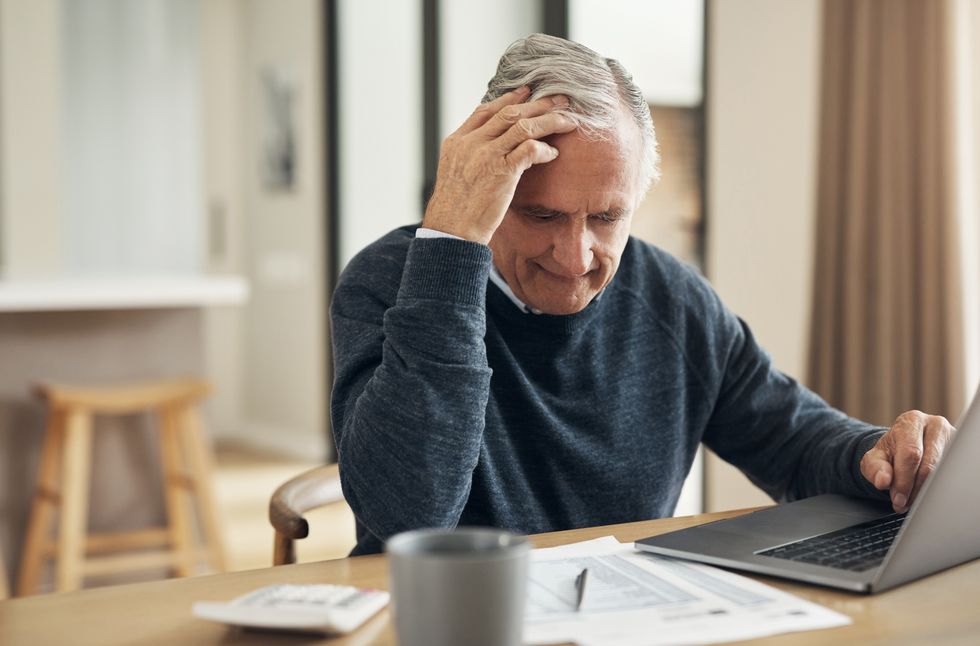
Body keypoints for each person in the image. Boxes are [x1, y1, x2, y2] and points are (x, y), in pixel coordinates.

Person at [330, 34, 955, 556]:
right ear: (484, 186)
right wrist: (452, 241)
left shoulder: (671, 298)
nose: (575, 258)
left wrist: (882, 455)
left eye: (606, 218)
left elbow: (794, 441)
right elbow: (411, 517)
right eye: (541, 215)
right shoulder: (391, 281)